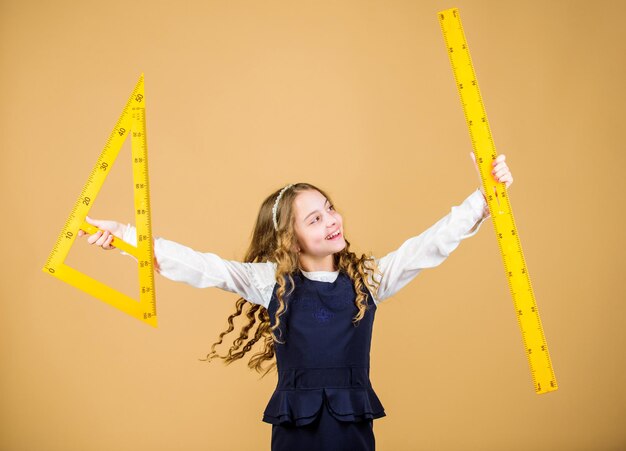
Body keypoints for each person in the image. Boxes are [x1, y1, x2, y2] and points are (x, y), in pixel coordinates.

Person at [78, 152, 513, 450]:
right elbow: (201, 265)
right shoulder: (270, 283)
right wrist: (124, 237)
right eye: (315, 217)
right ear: (290, 238)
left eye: (329, 207)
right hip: (296, 439)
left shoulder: (369, 280)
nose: (331, 219)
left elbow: (428, 245)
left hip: (352, 438)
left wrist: (483, 197)